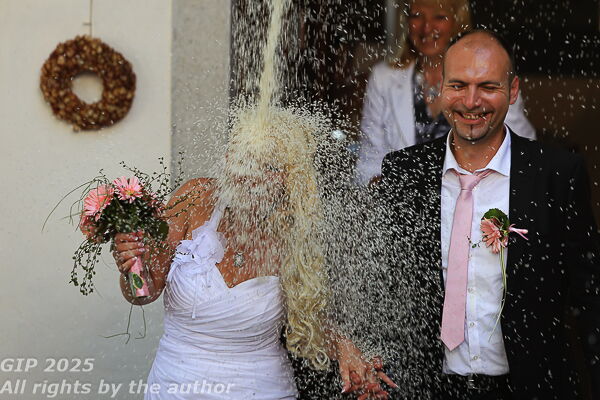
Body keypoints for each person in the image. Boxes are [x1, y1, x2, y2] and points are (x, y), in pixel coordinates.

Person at [376, 30, 600, 399]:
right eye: (458, 85)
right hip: (428, 388)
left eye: (487, 86)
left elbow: (589, 295)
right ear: (441, 88)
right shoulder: (404, 172)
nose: (471, 101)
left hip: (530, 387)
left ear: (512, 91)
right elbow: (382, 285)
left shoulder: (557, 175)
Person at [110, 112, 392, 399]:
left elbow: (308, 323)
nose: (250, 173)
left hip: (263, 390)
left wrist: (347, 350)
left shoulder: (295, 234)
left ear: (290, 178)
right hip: (175, 386)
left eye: (268, 166)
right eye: (243, 157)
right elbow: (142, 294)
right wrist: (131, 265)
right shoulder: (194, 198)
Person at [355, 0, 536, 185]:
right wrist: (393, 192)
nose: (426, 27)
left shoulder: (490, 75)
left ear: (458, 22)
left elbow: (523, 151)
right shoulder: (383, 78)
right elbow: (369, 161)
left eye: (439, 17)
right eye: (417, 16)